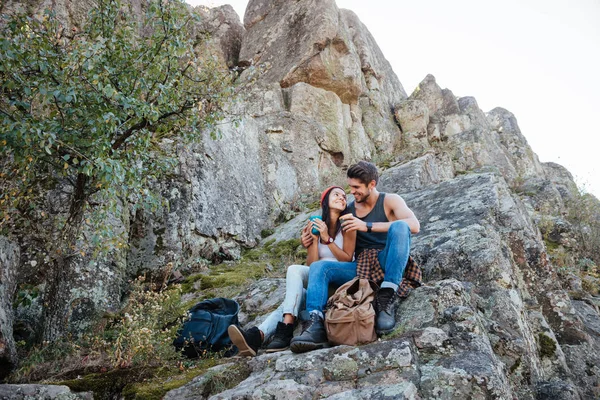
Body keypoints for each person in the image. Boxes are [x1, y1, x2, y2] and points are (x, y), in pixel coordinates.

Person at [290, 160, 420, 353]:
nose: (352, 192)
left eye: (356, 187)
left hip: (387, 260)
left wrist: (365, 226)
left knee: (401, 226)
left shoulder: (390, 200)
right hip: (360, 267)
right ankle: (315, 322)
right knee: (319, 267)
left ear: (372, 185)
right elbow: (330, 227)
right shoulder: (349, 210)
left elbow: (414, 225)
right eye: (350, 186)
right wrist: (310, 238)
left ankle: (386, 299)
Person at [227, 186, 356, 356]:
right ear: (325, 201)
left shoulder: (348, 223)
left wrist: (327, 239)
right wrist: (315, 240)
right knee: (295, 277)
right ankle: (260, 335)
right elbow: (312, 265)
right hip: (319, 280)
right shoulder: (316, 225)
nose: (342, 197)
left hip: (342, 276)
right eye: (336, 194)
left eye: (344, 196)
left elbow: (347, 258)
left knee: (308, 279)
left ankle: (280, 331)